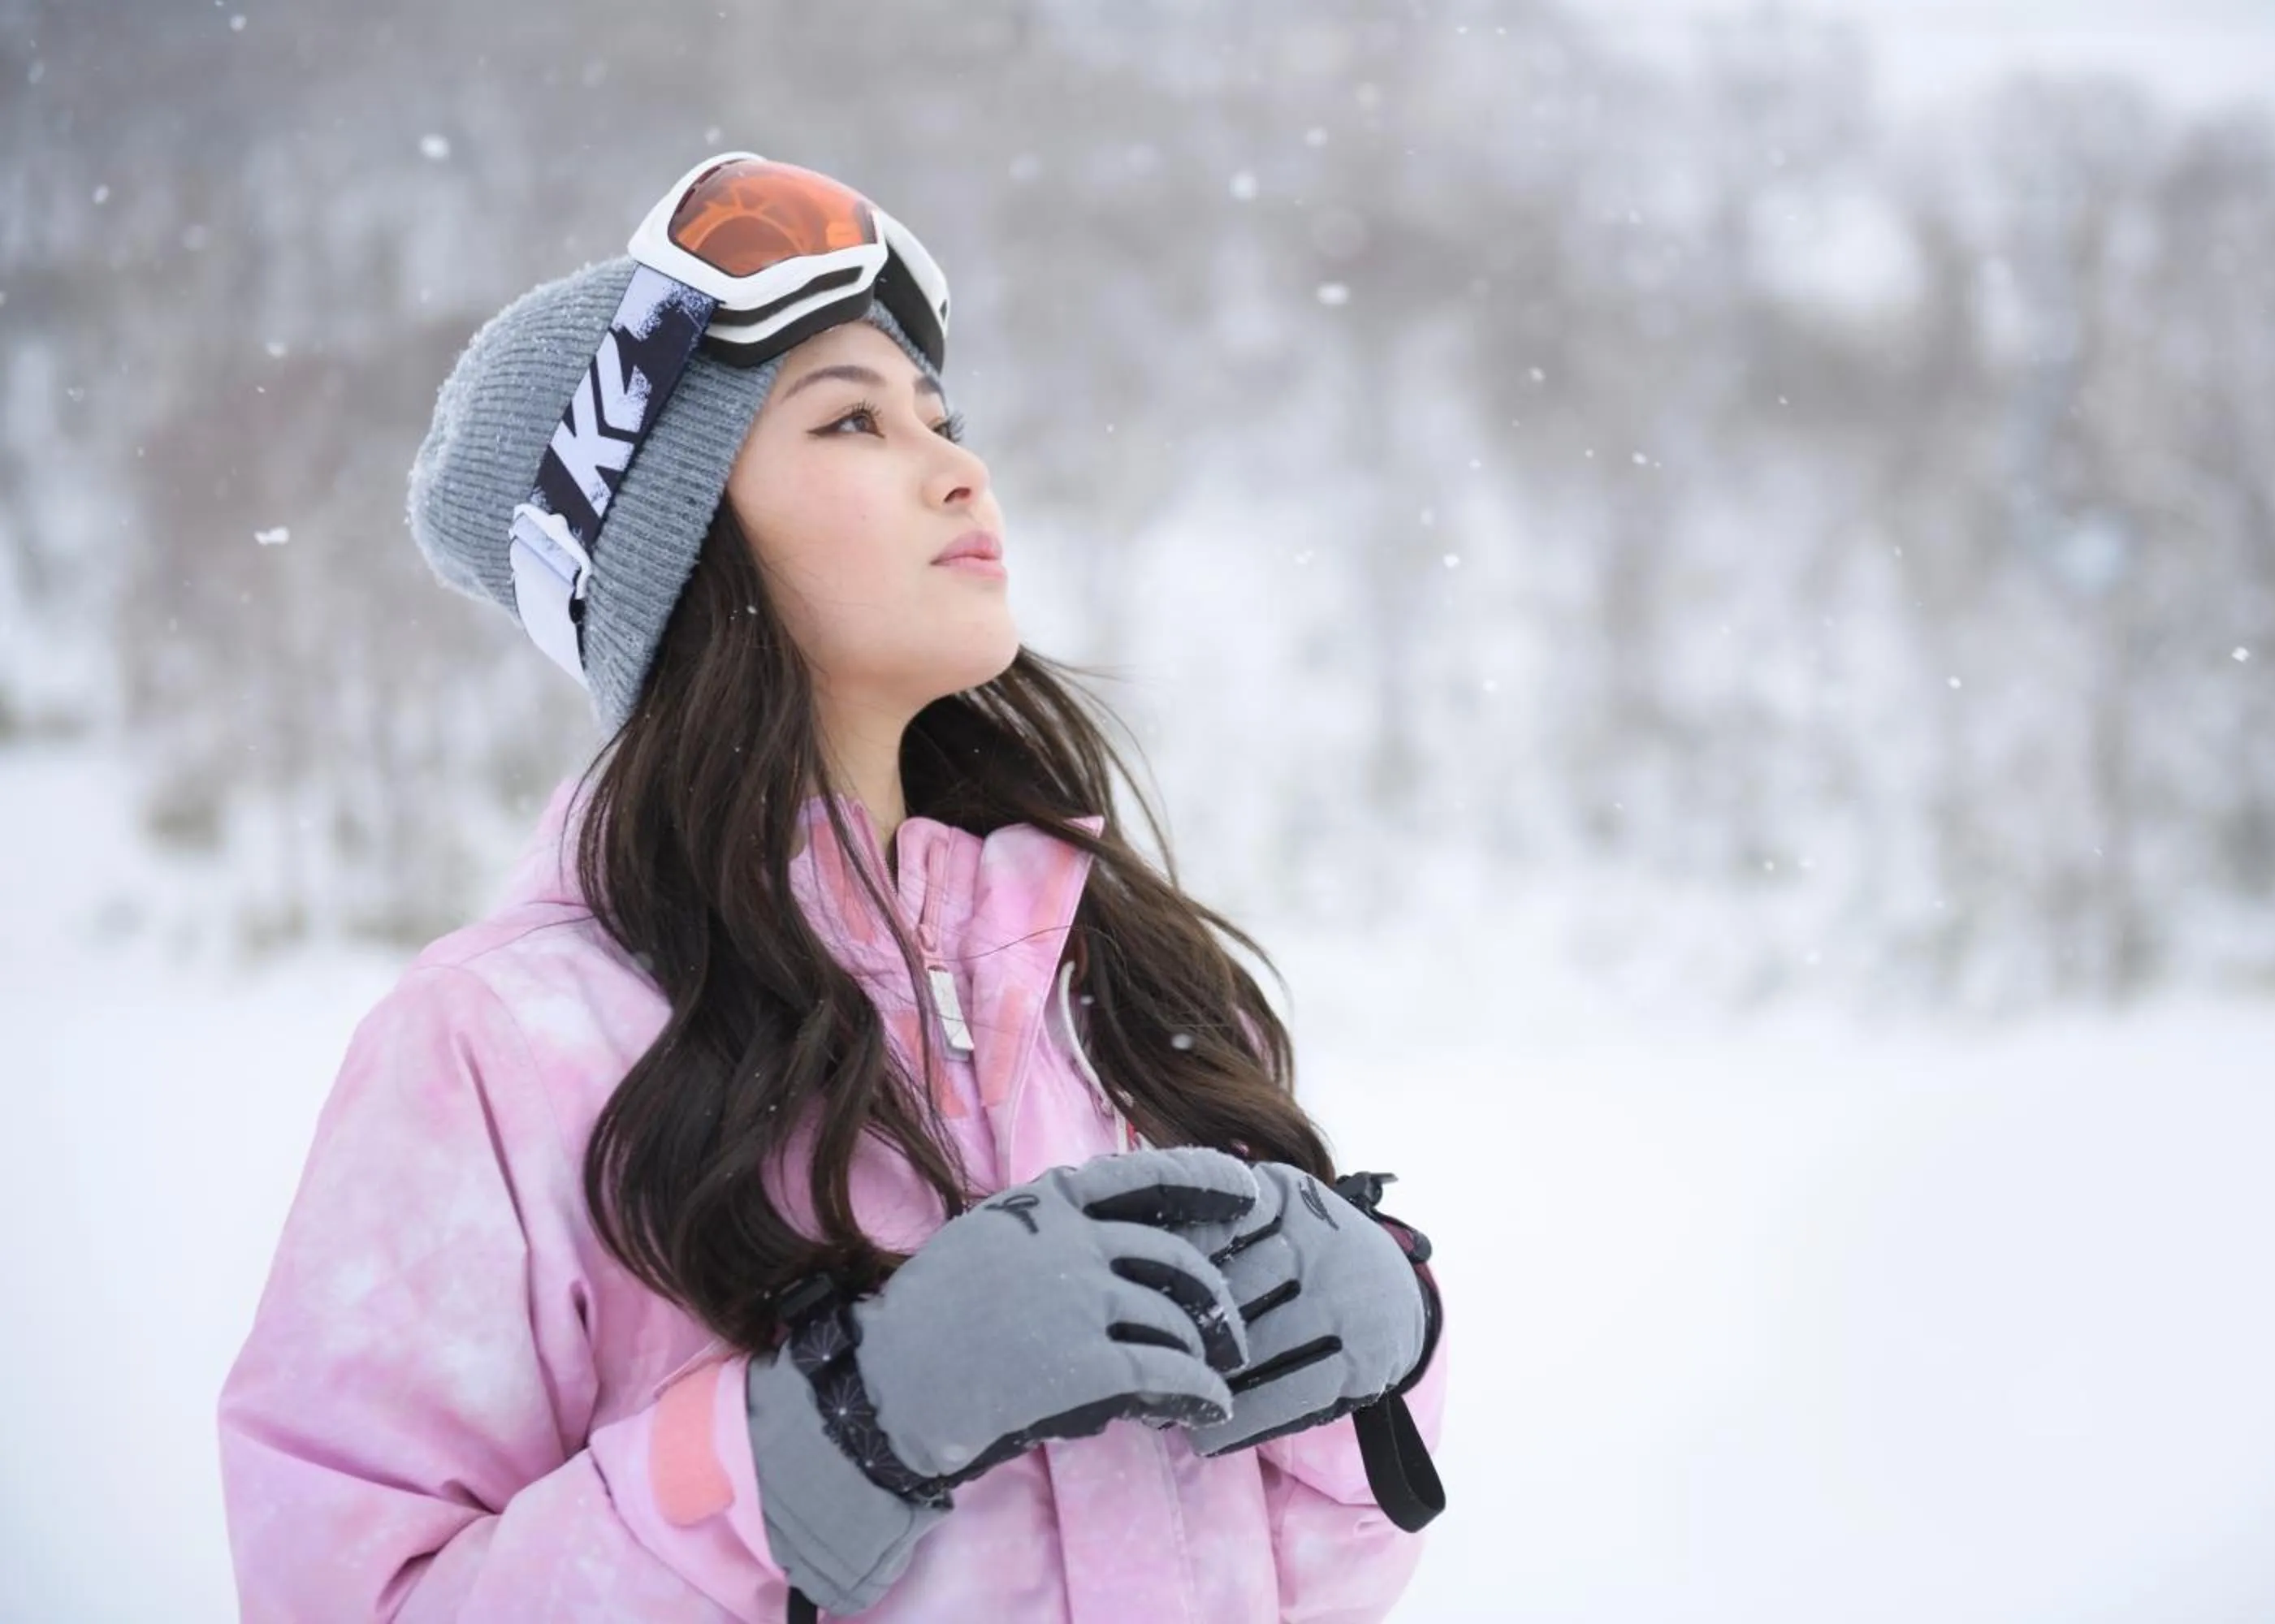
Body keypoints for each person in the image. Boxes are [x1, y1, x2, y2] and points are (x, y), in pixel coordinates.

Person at [215, 152, 1448, 1622]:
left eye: (943, 416)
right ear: (677, 550)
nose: (957, 463)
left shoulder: (1110, 982)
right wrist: (825, 1443)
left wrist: (1379, 1368)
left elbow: (1317, 1574)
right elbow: (365, 1594)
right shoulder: (501, 1045)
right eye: (854, 419)